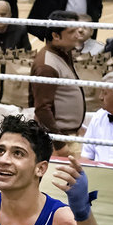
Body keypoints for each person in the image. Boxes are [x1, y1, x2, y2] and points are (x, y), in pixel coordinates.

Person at [30, 11, 84, 151]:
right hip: (57, 141)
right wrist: (60, 145)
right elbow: (42, 109)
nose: (78, 35)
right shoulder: (46, 66)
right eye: (72, 31)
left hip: (67, 136)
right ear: (55, 36)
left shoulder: (64, 51)